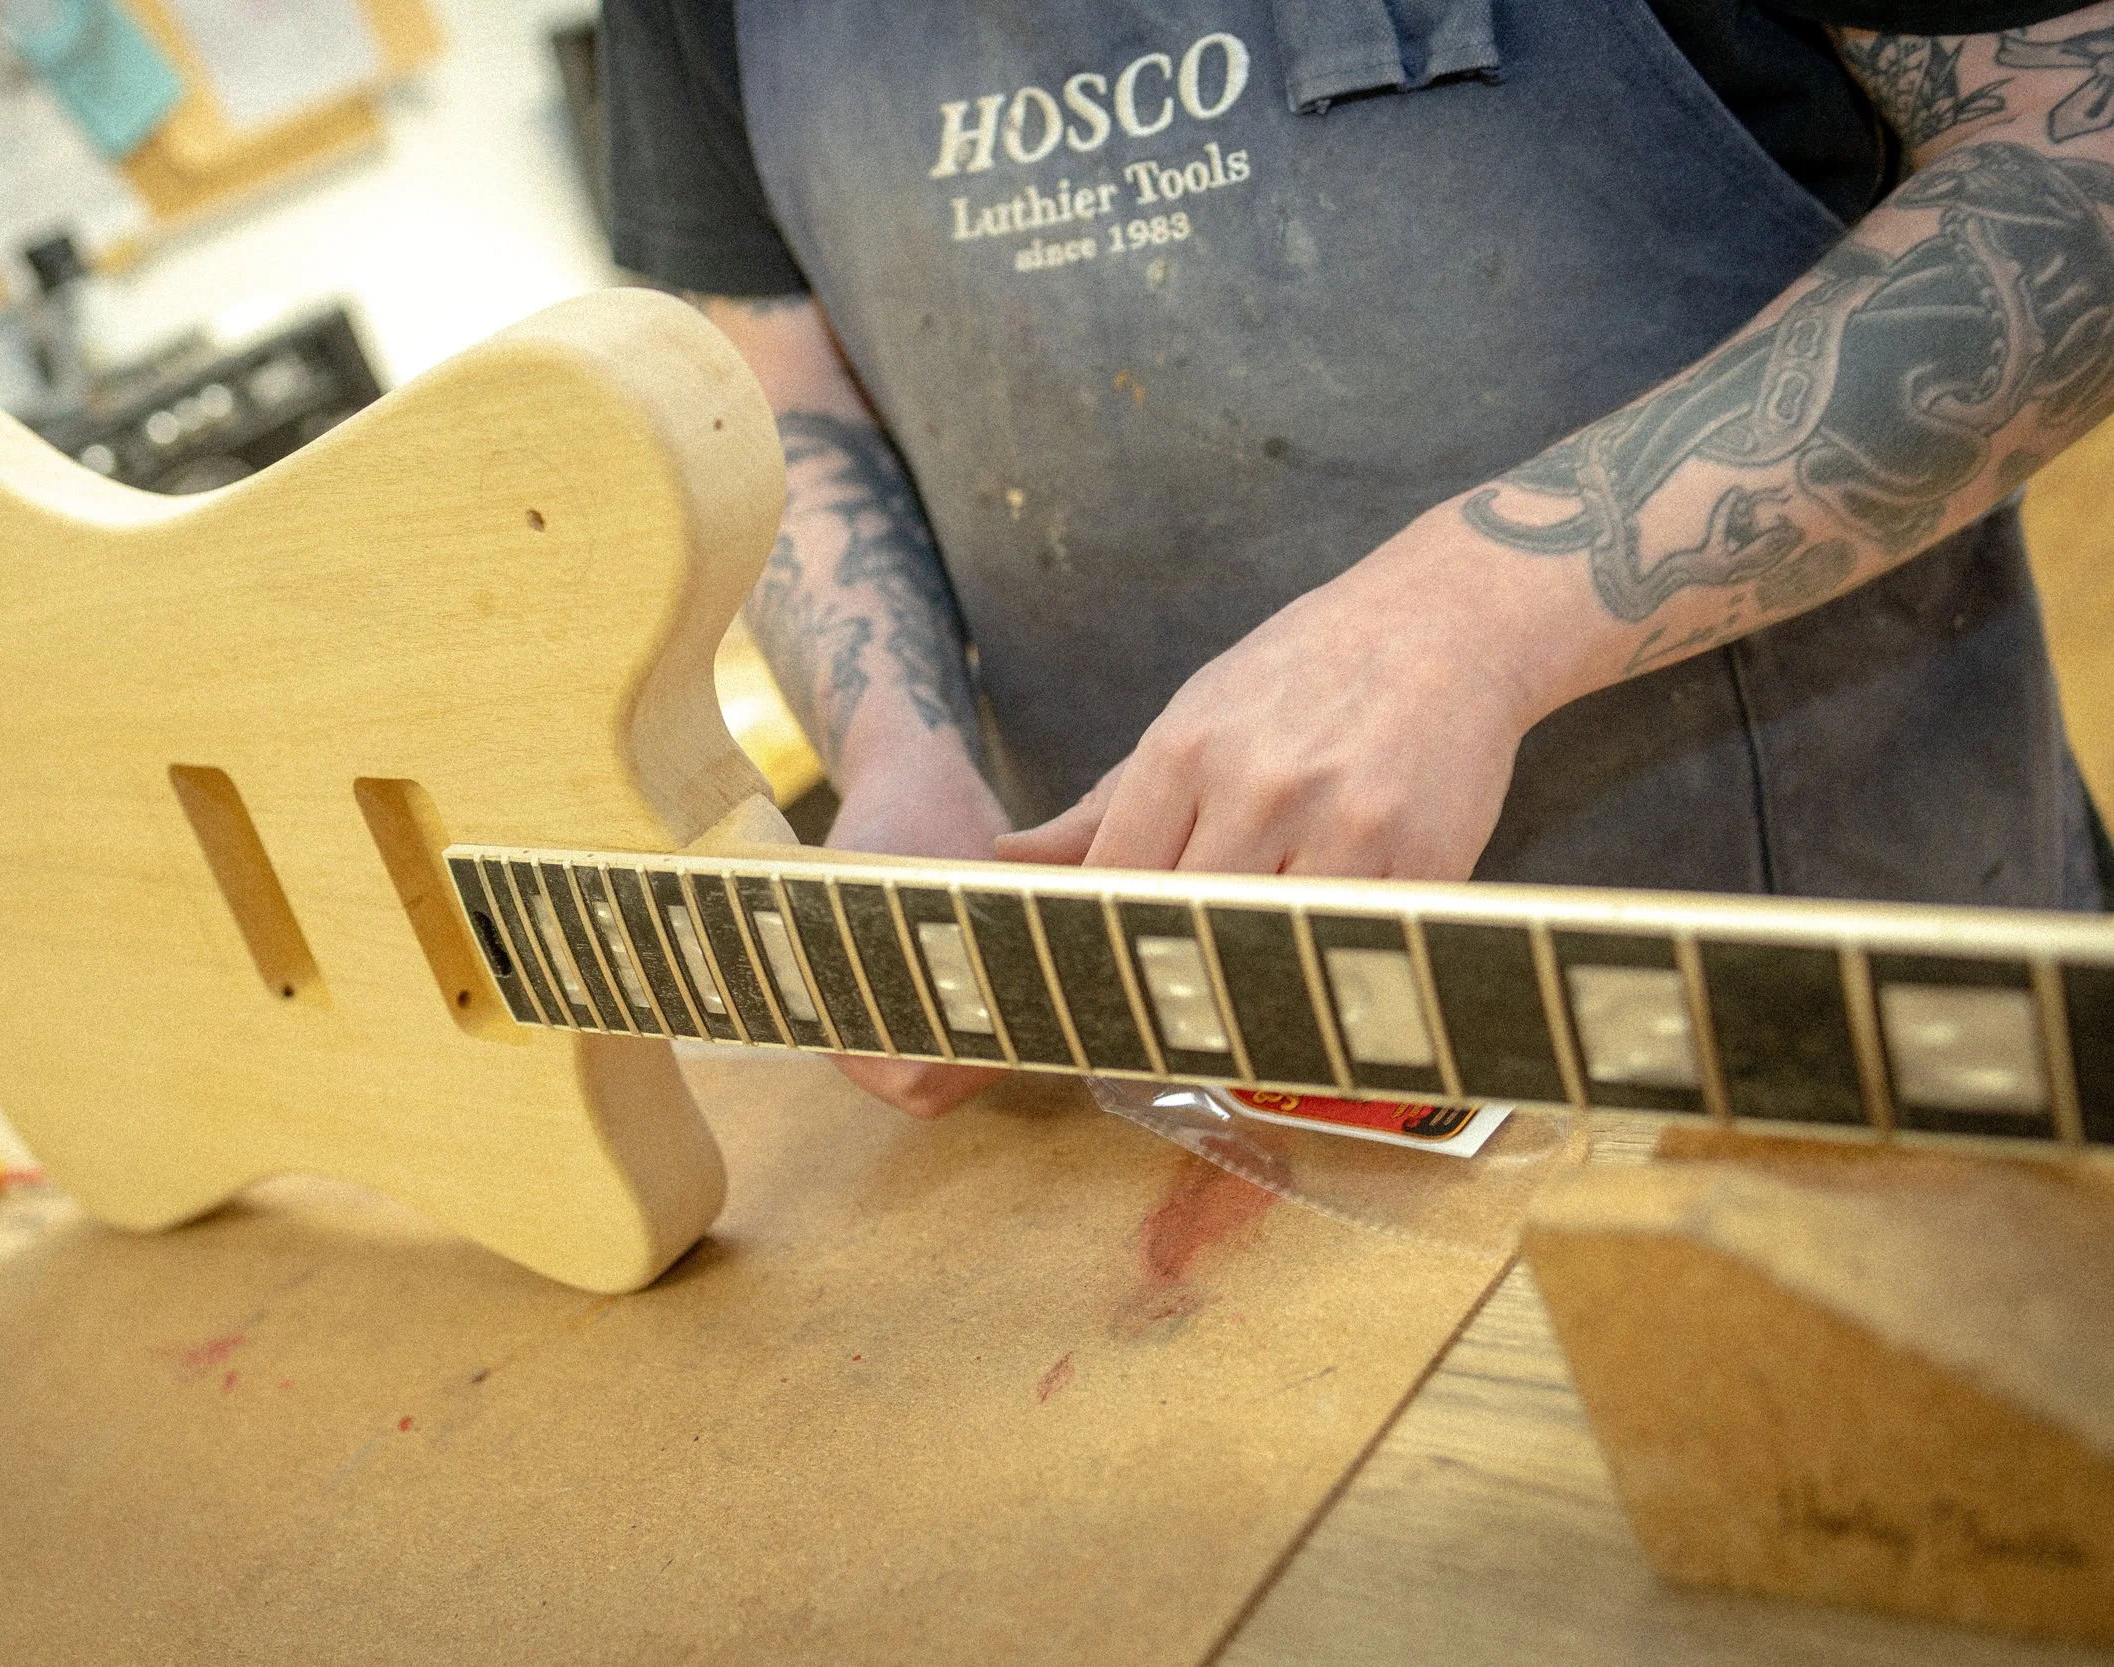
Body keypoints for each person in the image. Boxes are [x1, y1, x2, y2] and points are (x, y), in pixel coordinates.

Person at [600, 0, 2114, 1115]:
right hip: (1179, 1064)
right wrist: (896, 751)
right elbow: (782, 378)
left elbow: (2077, 156)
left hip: (1833, 1024)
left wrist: (1477, 619)